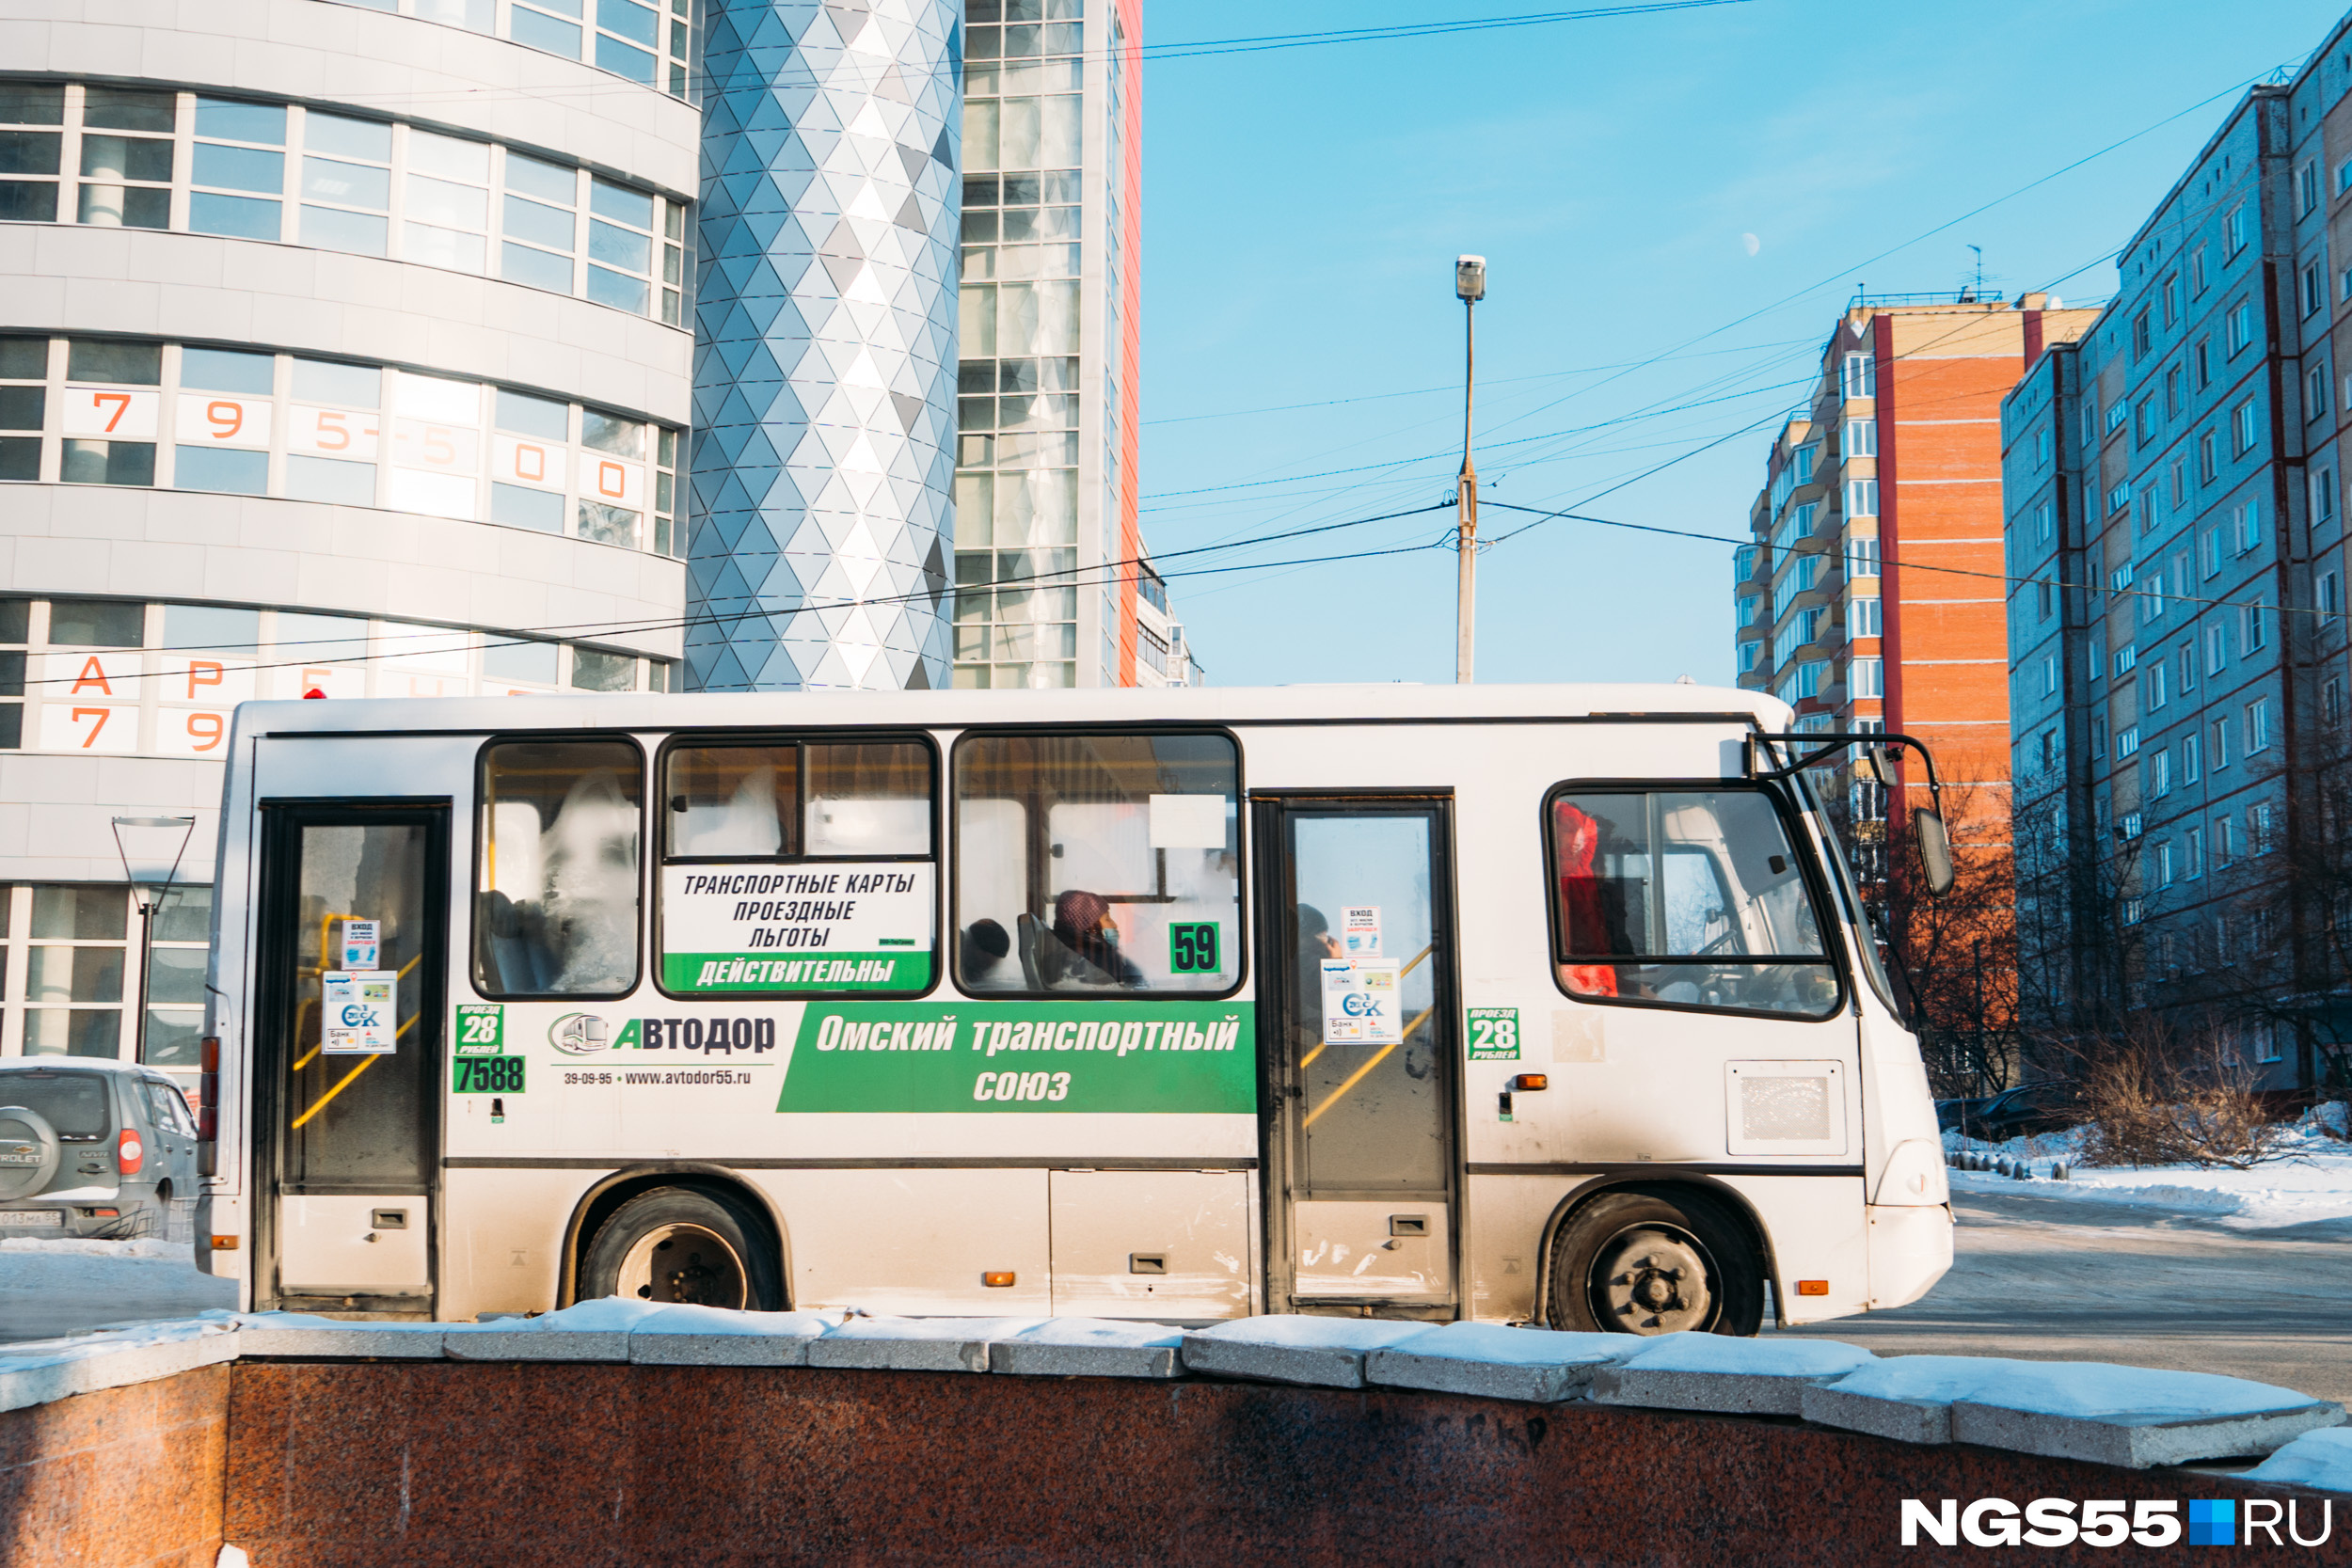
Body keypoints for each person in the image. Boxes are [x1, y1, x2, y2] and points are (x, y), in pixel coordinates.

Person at [1052, 890, 1144, 986]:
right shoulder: (1095, 959)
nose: (1114, 924)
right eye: (1107, 919)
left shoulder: (1064, 952)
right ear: (1090, 926)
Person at [960, 918, 1011, 985]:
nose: (994, 966)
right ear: (978, 949)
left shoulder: (973, 973)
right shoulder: (959, 975)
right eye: (995, 958)